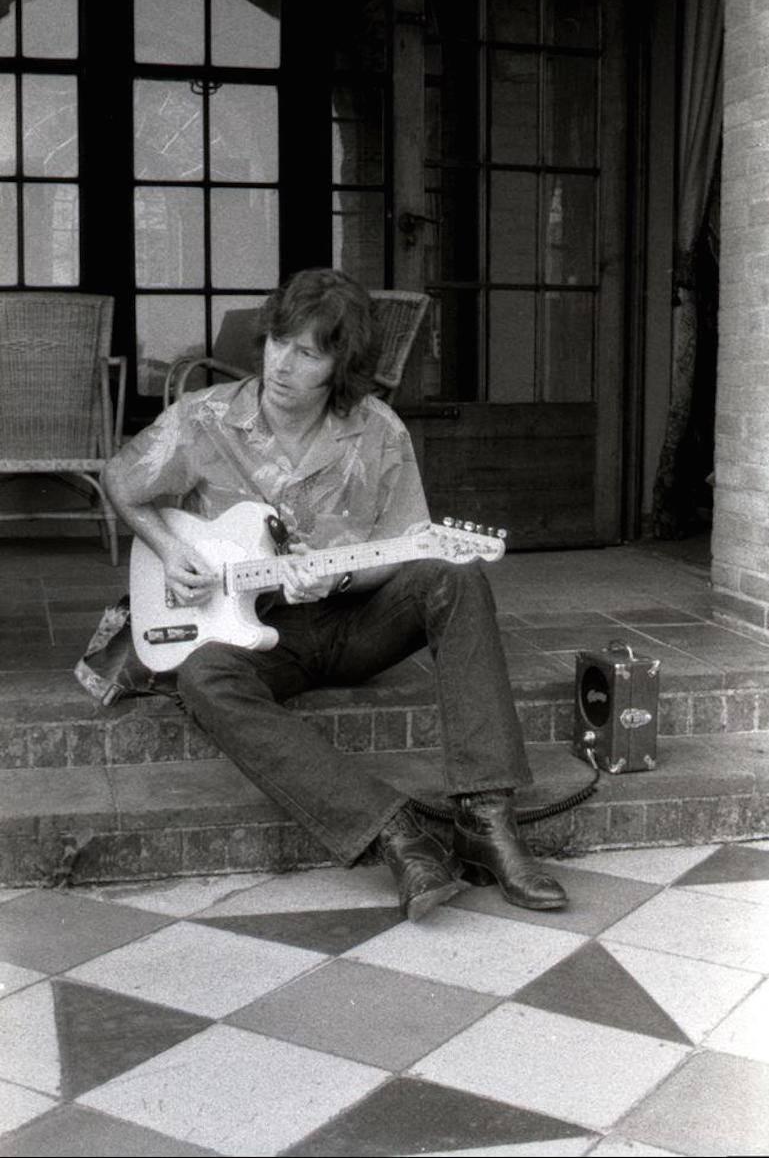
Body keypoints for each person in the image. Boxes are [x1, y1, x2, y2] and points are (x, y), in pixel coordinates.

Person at [103, 268, 567, 921]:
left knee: (453, 574)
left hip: (354, 623)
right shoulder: (205, 418)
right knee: (202, 676)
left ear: (338, 368)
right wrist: (169, 546)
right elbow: (121, 479)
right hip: (261, 634)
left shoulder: (379, 433)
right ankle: (396, 835)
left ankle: (487, 819)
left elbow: (406, 545)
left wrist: (340, 574)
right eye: (278, 342)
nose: (281, 364)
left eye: (307, 352)